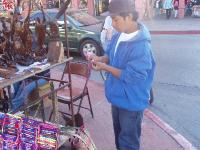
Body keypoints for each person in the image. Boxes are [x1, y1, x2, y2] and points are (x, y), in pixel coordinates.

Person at [88, 0, 155, 149]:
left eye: (115, 19)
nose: (113, 24)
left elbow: (133, 76)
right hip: (117, 97)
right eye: (111, 19)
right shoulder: (119, 35)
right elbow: (110, 54)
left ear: (129, 16)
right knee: (119, 136)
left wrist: (105, 67)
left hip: (131, 102)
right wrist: (100, 59)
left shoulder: (141, 46)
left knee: (128, 142)